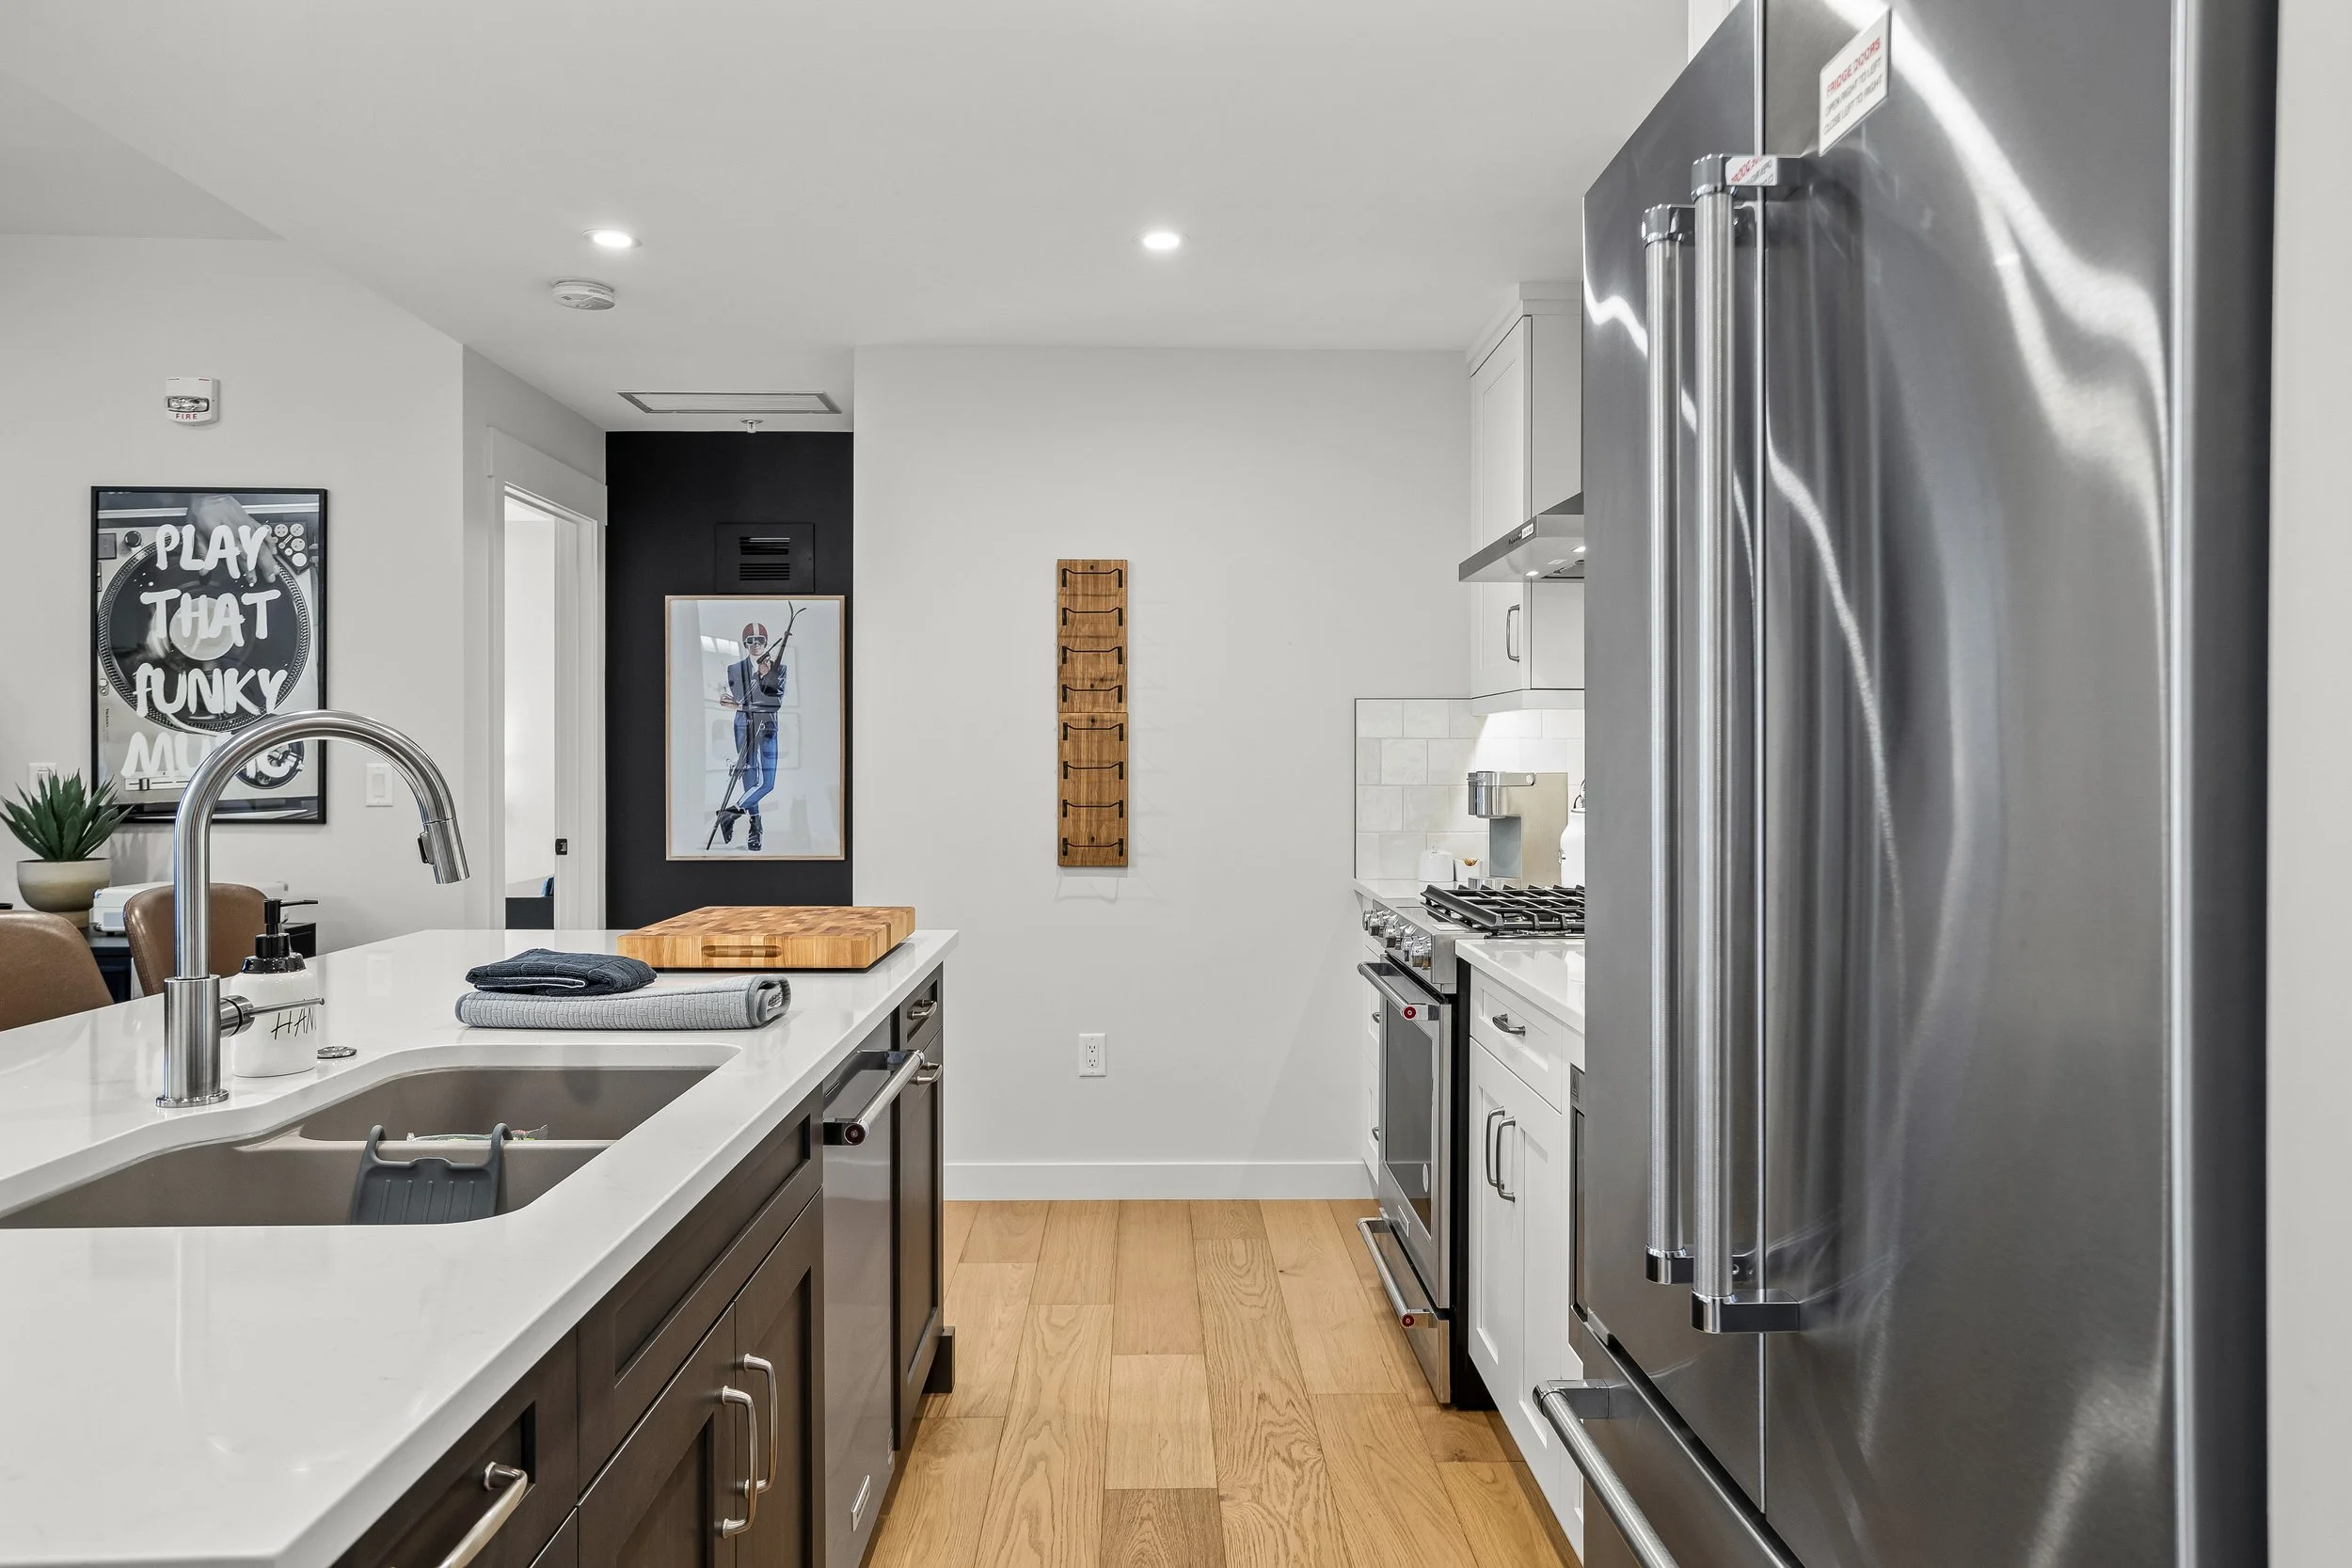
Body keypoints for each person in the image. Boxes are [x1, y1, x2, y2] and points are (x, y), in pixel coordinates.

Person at [716, 623, 786, 850]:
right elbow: (743, 699)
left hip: (768, 727)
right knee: (749, 776)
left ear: (766, 643)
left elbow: (774, 704)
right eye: (751, 640)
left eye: (760, 640)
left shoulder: (779, 669)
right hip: (743, 726)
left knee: (768, 783)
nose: (756, 644)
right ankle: (755, 826)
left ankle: (731, 812)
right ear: (745, 643)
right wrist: (755, 682)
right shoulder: (734, 669)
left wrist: (765, 678)